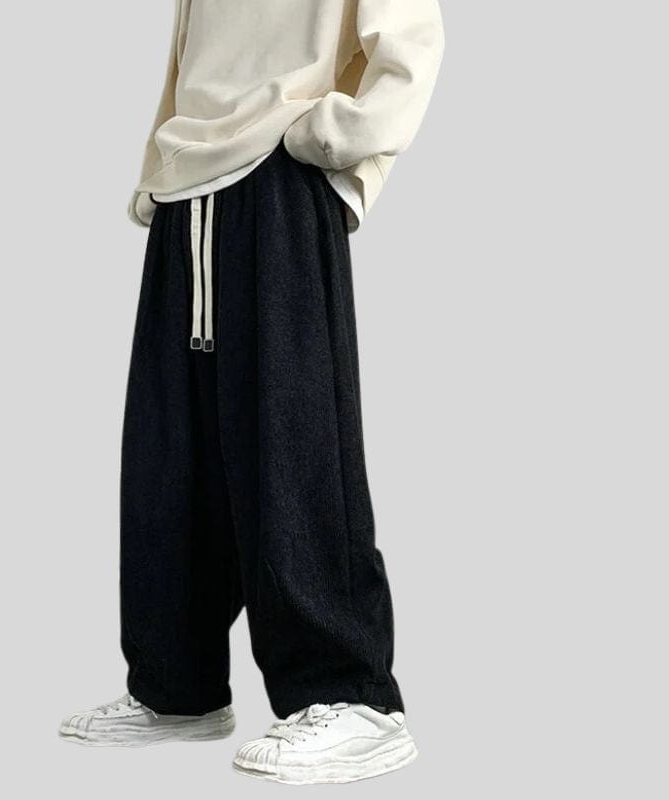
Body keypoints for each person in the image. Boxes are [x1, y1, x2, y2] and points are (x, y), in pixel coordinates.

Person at [59, 0, 445, 785]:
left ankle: (352, 697)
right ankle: (177, 687)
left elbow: (410, 44)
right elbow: (189, 52)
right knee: (172, 453)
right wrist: (157, 170)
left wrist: (332, 139)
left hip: (279, 176)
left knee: (293, 441)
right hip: (187, 188)